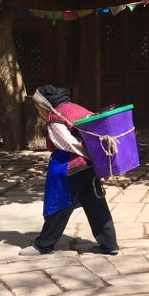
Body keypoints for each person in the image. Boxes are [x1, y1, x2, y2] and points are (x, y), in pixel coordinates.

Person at [19, 85, 119, 256]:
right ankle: (109, 244)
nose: (38, 111)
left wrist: (91, 152)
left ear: (44, 105)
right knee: (95, 204)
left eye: (37, 107)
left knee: (59, 205)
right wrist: (94, 157)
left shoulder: (54, 118)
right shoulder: (76, 108)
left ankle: (43, 245)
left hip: (70, 167)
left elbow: (68, 143)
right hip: (89, 166)